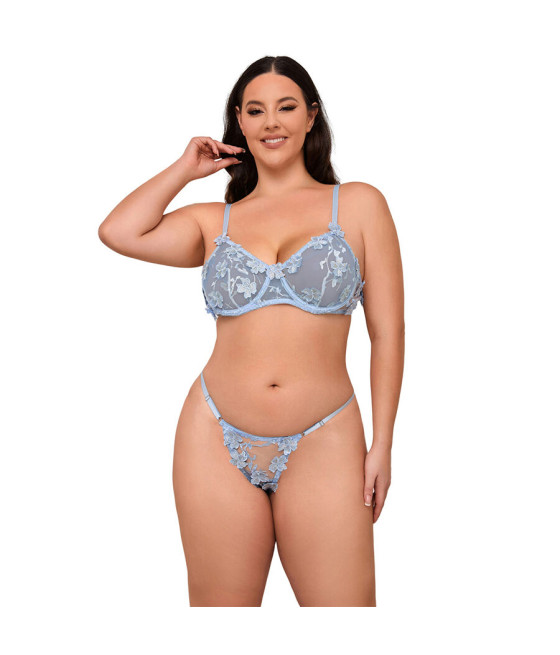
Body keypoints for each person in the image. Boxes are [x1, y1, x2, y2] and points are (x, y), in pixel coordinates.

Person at [98, 55, 405, 607]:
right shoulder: (213, 221)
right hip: (213, 435)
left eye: (286, 107)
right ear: (239, 122)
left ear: (311, 116)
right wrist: (184, 169)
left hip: (326, 437)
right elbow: (119, 231)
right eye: (255, 111)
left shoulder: (359, 204)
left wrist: (382, 443)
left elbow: (387, 332)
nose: (271, 122)